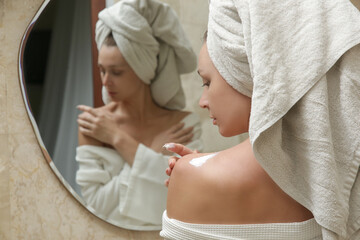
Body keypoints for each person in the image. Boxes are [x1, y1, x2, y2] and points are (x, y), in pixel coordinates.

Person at [161, 0, 360, 239]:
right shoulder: (342, 181)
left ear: (255, 70)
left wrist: (197, 172)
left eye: (207, 82)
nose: (202, 101)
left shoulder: (190, 176)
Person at [75, 0, 203, 230]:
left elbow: (184, 201)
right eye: (102, 70)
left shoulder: (184, 124)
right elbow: (97, 208)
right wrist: (151, 152)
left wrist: (120, 140)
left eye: (116, 72)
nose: (105, 81)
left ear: (143, 68)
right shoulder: (94, 125)